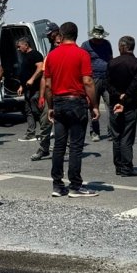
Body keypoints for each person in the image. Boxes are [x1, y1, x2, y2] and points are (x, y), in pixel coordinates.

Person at [44, 22, 100, 198]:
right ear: (76, 35)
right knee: (75, 146)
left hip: (59, 102)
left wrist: (50, 106)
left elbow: (47, 85)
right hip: (76, 102)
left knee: (59, 146)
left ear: (60, 34)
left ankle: (57, 185)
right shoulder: (82, 54)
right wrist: (94, 105)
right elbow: (88, 82)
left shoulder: (52, 56)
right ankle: (75, 185)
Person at [107, 36, 137, 177]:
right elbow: (134, 84)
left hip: (114, 103)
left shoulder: (112, 63)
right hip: (130, 104)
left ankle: (118, 166)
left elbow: (107, 83)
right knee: (127, 136)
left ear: (121, 47)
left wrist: (117, 96)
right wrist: (125, 96)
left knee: (116, 136)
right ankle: (127, 167)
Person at [32, 22, 61, 161]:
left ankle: (65, 147)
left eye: (50, 34)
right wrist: (42, 96)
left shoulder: (66, 47)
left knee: (64, 122)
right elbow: (44, 76)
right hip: (51, 92)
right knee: (45, 122)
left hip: (64, 92)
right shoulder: (50, 52)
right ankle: (44, 148)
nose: (49, 37)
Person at [81, 25, 113, 142]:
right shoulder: (85, 45)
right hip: (93, 79)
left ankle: (111, 132)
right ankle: (95, 132)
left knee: (111, 105)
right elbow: (82, 63)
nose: (99, 40)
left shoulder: (107, 44)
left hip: (107, 78)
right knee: (93, 107)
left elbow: (110, 59)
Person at [15, 37, 43, 142]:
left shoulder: (35, 54)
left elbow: (40, 68)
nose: (18, 49)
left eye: (19, 46)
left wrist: (32, 79)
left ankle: (45, 130)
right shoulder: (25, 56)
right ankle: (31, 133)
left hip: (36, 89)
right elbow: (25, 72)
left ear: (26, 45)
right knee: (28, 111)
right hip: (27, 89)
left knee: (36, 111)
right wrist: (22, 86)